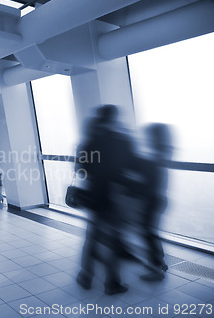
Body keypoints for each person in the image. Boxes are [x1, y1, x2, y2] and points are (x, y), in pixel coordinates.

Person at [75, 105, 136, 295]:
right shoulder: (123, 140)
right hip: (116, 196)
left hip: (94, 196)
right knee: (113, 240)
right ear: (115, 118)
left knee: (92, 237)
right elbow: (132, 166)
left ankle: (85, 276)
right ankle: (112, 283)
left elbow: (80, 170)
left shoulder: (88, 142)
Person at [137, 123, 173, 281]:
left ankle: (156, 269)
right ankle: (159, 263)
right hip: (159, 199)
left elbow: (149, 182)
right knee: (151, 233)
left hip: (152, 200)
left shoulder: (155, 156)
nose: (146, 138)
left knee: (148, 233)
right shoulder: (163, 152)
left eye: (149, 135)